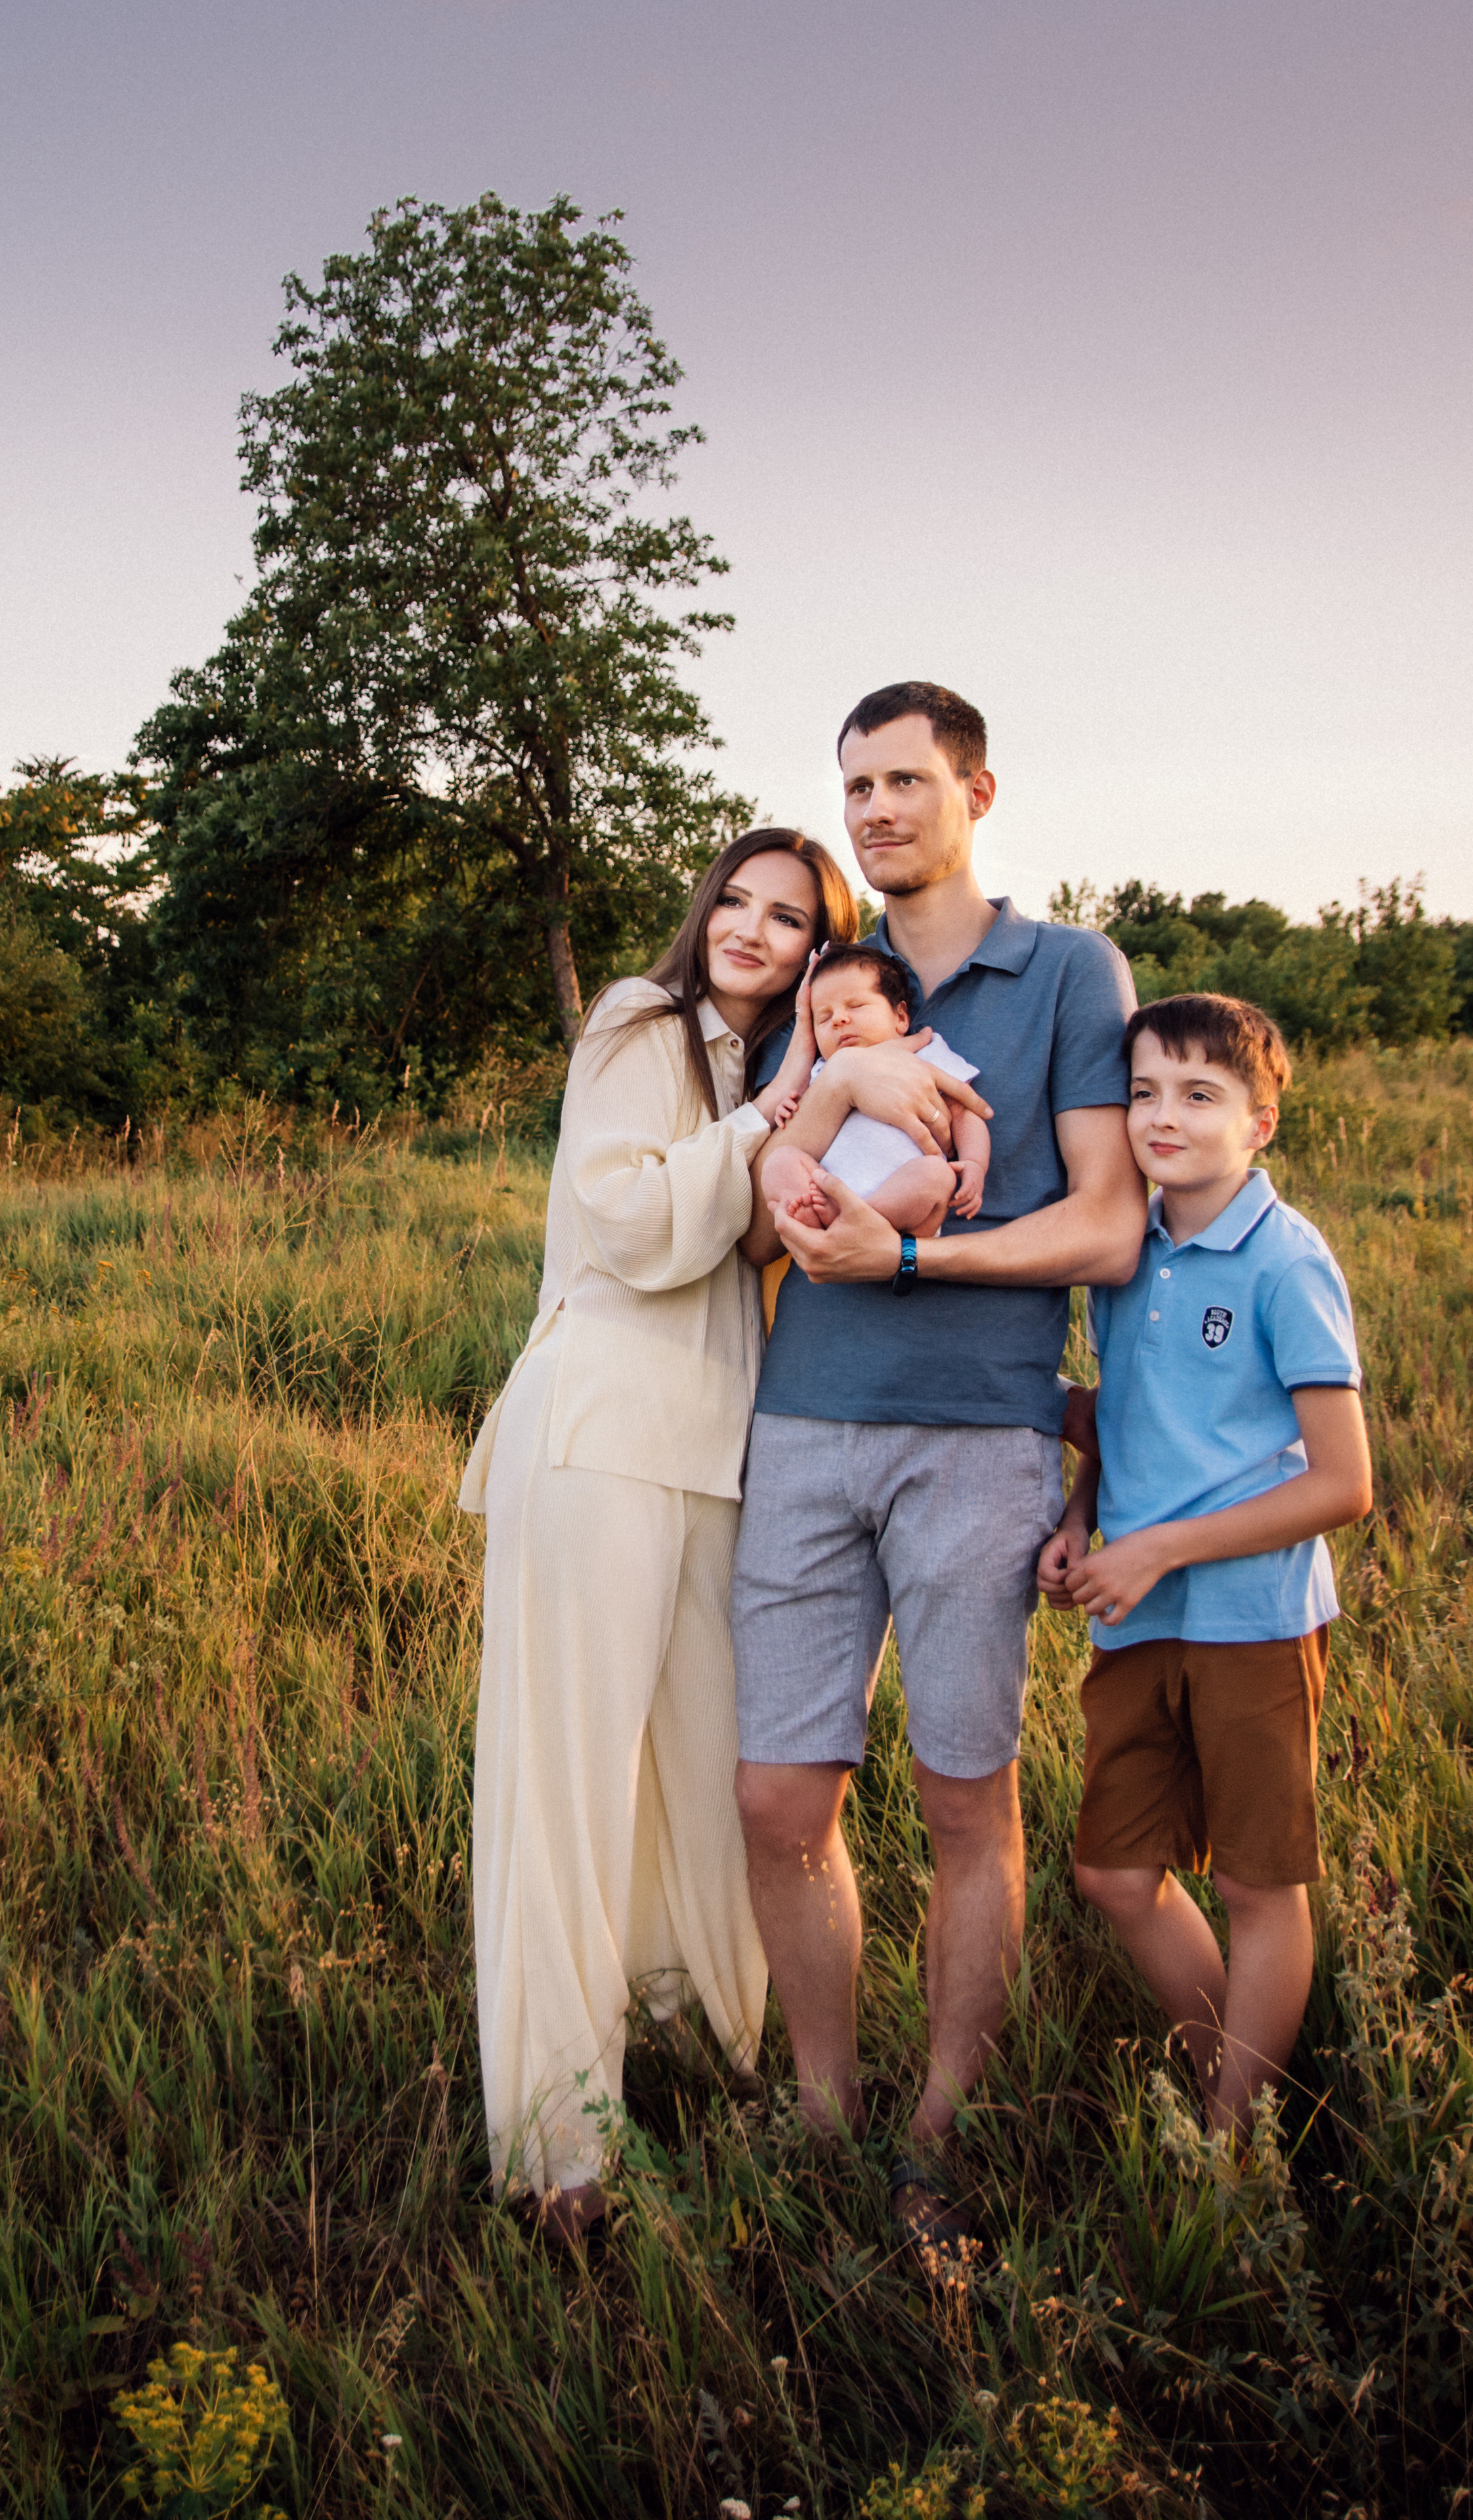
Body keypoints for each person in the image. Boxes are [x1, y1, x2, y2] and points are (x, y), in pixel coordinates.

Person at [731, 679, 1145, 2246]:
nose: (878, 811)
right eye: (856, 787)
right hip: (802, 1422)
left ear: (978, 790)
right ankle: (822, 2103)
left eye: (907, 780)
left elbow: (1101, 1220)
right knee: (780, 1792)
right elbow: (773, 1176)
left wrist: (912, 1267)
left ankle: (940, 2126)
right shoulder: (822, 977)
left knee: (963, 1791)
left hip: (978, 1428)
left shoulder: (1064, 973)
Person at [461, 827, 859, 2244]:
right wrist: (775, 1117)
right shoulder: (638, 1022)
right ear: (705, 914)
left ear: (823, 948)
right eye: (737, 903)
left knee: (705, 1768)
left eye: (790, 918)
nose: (754, 930)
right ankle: (557, 2142)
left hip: (719, 1449)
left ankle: (700, 2049)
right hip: (601, 1430)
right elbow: (629, 1222)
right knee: (566, 1783)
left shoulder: (778, 1074)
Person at [1038, 994, 1372, 2138]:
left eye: (1198, 1095)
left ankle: (1233, 2145)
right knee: (1117, 1876)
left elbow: (1344, 1483)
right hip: (1134, 1615)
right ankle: (1247, 2082)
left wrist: (1159, 1547)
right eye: (1141, 1093)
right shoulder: (1128, 1254)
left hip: (1249, 1615)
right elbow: (1126, 1420)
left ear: (1261, 1122)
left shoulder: (1286, 1261)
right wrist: (1083, 1518)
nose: (1161, 1117)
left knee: (1255, 1885)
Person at [761, 944, 991, 1236]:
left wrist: (974, 1163)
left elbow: (964, 1112)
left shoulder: (925, 1054)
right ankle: (813, 1218)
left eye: (855, 1006)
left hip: (904, 1193)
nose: (839, 1019)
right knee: (779, 1162)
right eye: (824, 1017)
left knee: (938, 1176)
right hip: (830, 1189)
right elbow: (803, 1119)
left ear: (901, 1017)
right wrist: (789, 1108)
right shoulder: (823, 1070)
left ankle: (860, 1218)